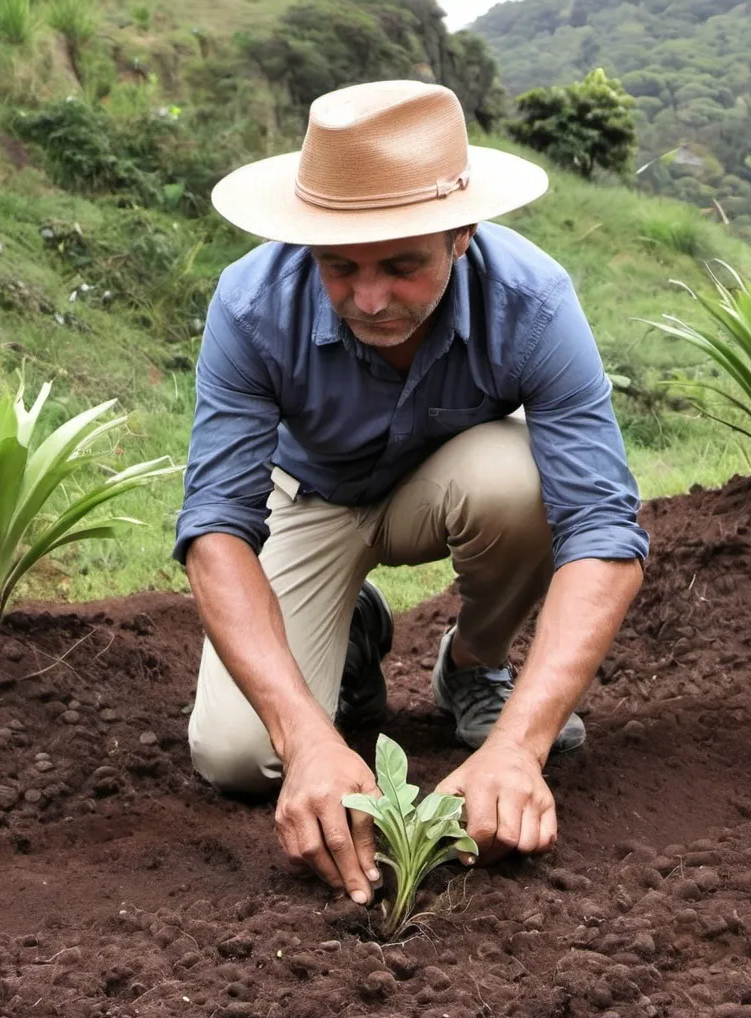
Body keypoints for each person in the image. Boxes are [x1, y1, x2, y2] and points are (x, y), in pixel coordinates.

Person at [174, 80, 648, 908]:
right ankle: (348, 636)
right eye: (339, 267)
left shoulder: (532, 302)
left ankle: (474, 666)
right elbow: (215, 527)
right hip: (309, 495)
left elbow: (604, 530)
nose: (368, 299)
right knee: (240, 757)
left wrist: (518, 748)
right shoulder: (251, 306)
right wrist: (306, 738)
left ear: (461, 235)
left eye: (402, 265)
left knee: (524, 479)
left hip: (453, 486)